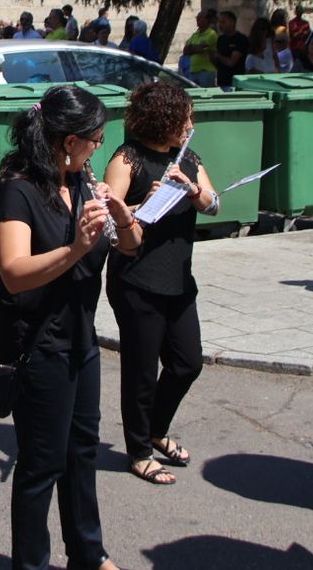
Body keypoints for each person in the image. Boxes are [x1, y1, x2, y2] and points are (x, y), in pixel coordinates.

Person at [0, 85, 134, 570]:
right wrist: (75, 248)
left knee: (81, 453)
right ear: (69, 141)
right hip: (38, 345)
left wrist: (122, 218)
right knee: (41, 466)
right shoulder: (17, 188)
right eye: (96, 139)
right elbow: (14, 272)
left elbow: (129, 244)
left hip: (81, 340)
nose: (99, 148)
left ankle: (88, 554)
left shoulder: (83, 181)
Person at [103, 82, 217, 486]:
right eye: (184, 118)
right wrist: (145, 205)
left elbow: (215, 203)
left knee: (188, 362)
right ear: (162, 120)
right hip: (136, 279)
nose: (190, 125)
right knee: (141, 370)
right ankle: (139, 452)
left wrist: (194, 190)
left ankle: (155, 428)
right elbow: (107, 219)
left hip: (178, 278)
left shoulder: (187, 158)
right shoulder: (128, 158)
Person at [181, 9, 218, 87]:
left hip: (206, 71)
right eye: (197, 17)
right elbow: (185, 50)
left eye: (200, 17)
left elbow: (201, 49)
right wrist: (194, 48)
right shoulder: (195, 34)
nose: (197, 19)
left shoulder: (211, 34)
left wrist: (191, 47)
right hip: (193, 70)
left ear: (207, 20)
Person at [213, 10, 248, 89]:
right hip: (221, 82)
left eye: (223, 22)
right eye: (219, 22)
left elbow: (231, 62)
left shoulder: (240, 39)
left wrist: (218, 56)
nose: (220, 25)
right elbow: (216, 63)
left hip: (235, 83)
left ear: (232, 22)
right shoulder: (221, 39)